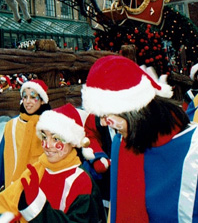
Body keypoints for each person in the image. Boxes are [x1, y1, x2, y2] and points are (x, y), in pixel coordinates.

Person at [82, 55, 198, 222]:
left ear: (133, 109)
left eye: (107, 114)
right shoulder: (120, 143)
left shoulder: (193, 147)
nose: (104, 122)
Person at [0, 103, 106, 222]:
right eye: (44, 137)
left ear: (73, 142)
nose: (47, 145)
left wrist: (37, 208)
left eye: (56, 139)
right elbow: (3, 205)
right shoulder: (36, 170)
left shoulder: (82, 182)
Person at [0, 79, 51, 201]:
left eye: (33, 97)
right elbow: (1, 157)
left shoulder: (49, 126)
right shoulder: (12, 125)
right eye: (25, 97)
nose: (28, 102)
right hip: (13, 188)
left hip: (42, 191)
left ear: (42, 100)